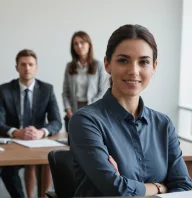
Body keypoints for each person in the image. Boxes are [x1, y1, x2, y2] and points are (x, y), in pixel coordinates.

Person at [69, 24, 192, 197]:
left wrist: (129, 186)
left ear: (154, 67)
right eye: (123, 60)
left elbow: (184, 186)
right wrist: (160, 187)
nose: (134, 71)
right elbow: (116, 190)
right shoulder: (85, 121)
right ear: (107, 64)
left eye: (144, 62)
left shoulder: (163, 124)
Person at [0, 49, 62, 198]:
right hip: (14, 144)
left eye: (30, 64)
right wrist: (16, 132)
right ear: (16, 67)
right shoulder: (5, 90)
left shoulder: (47, 89)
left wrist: (41, 132)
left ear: (36, 67)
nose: (27, 68)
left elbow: (56, 121)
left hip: (38, 142)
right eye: (23, 64)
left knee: (48, 160)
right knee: (7, 170)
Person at [62, 31, 108, 132]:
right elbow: (65, 92)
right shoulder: (69, 66)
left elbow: (102, 91)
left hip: (93, 108)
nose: (79, 46)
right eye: (76, 43)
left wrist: (89, 109)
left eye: (82, 42)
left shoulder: (99, 65)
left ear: (89, 44)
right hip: (74, 108)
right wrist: (68, 109)